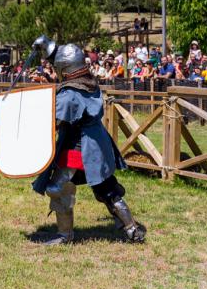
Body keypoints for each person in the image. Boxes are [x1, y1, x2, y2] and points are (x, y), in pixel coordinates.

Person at [31, 36, 146, 244]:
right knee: (106, 188)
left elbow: (55, 121)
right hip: (98, 144)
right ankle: (131, 228)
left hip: (79, 148)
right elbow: (62, 58)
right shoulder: (90, 83)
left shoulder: (69, 93)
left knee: (56, 188)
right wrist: (45, 44)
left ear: (64, 70)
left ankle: (65, 235)